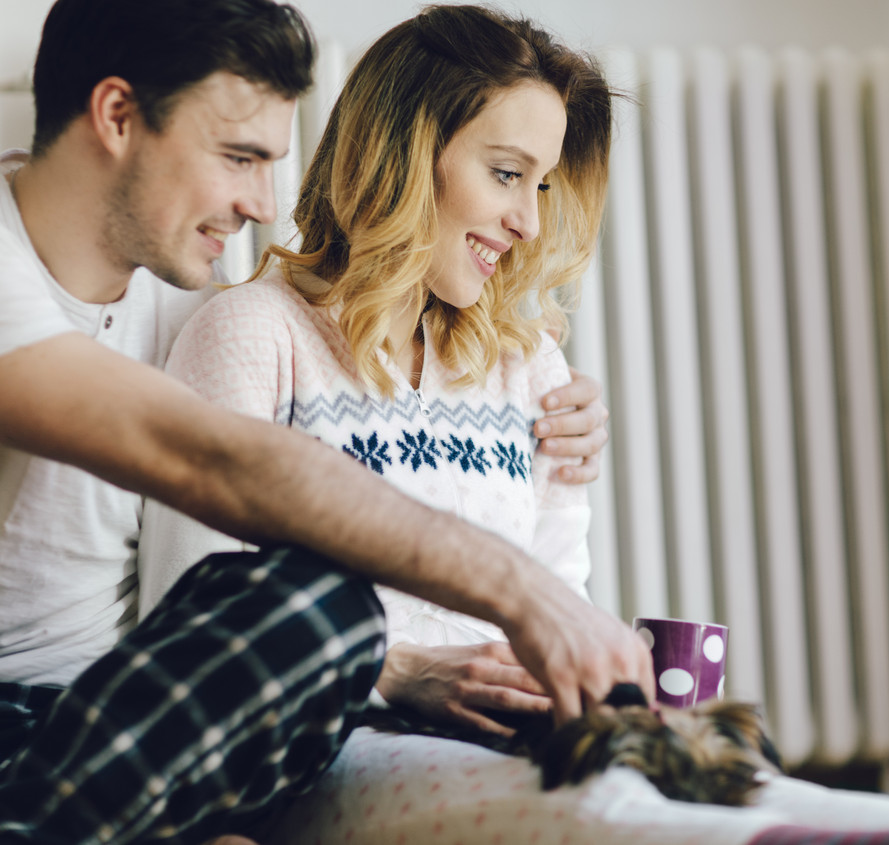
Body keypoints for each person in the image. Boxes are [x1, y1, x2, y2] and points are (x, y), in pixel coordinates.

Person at [137, 5, 889, 845]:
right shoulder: (251, 333)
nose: (529, 220)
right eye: (506, 175)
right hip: (328, 748)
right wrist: (407, 671)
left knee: (712, 775)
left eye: (542, 186)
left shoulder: (524, 367)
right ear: (404, 153)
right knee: (592, 806)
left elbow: (557, 591)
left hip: (514, 733)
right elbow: (191, 630)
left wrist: (602, 671)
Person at [0, 0, 650, 842]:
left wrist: (550, 402)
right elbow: (219, 465)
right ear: (117, 116)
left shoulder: (177, 283)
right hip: (19, 715)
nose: (263, 204)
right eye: (238, 157)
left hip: (113, 713)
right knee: (321, 609)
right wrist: (513, 597)